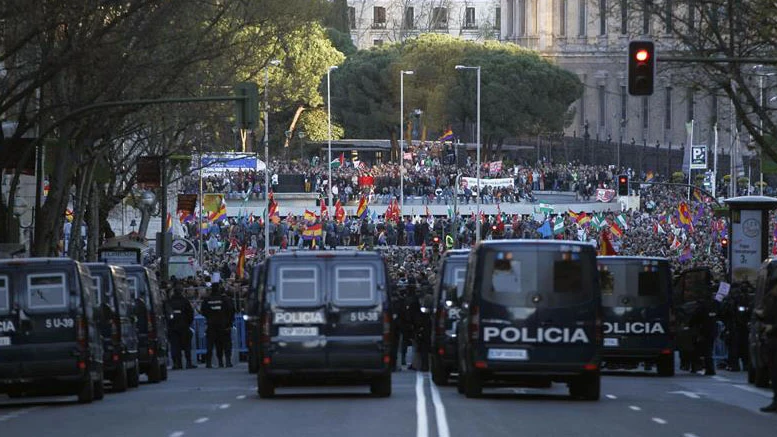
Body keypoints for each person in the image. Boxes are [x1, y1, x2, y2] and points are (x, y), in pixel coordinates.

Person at [200, 282, 235, 368]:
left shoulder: (207, 300)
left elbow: (203, 311)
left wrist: (210, 318)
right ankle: (227, 361)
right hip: (224, 325)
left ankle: (211, 362)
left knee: (211, 344)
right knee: (226, 344)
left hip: (212, 325)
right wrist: (229, 323)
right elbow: (231, 311)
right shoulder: (225, 299)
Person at [166, 281, 196, 369]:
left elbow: (166, 314)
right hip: (183, 326)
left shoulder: (169, 302)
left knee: (175, 346)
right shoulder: (185, 301)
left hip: (173, 327)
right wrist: (187, 323)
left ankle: (176, 363)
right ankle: (188, 362)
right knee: (187, 345)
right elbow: (190, 314)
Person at [758, 282, 777, 412]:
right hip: (771, 337)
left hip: (774, 335)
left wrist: (773, 327)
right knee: (773, 371)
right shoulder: (771, 298)